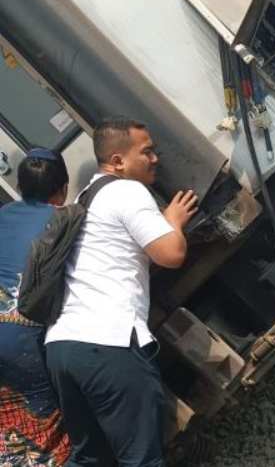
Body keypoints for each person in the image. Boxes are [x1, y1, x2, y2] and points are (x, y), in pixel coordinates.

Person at [45, 119, 199, 467]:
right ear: (118, 161)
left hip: (63, 349)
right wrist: (172, 220)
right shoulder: (126, 191)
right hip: (108, 345)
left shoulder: (86, 199)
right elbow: (171, 254)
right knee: (141, 458)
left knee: (90, 458)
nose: (156, 158)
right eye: (146, 152)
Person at [0, 149, 73, 466]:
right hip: (25, 338)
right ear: (63, 189)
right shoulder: (63, 221)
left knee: (12, 425)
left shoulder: (3, 216)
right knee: (50, 427)